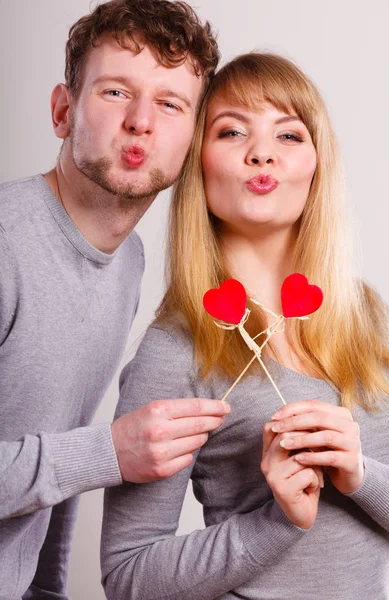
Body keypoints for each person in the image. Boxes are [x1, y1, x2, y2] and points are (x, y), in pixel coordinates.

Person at [101, 51, 389, 600]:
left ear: (318, 161)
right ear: (199, 162)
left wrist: (360, 473)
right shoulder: (177, 346)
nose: (262, 153)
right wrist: (277, 520)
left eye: (288, 136)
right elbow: (128, 576)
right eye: (232, 131)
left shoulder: (366, 315)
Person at [0, 1, 230, 598]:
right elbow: (82, 450)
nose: (141, 122)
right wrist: (108, 452)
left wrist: (46, 589)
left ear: (192, 140)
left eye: (170, 103)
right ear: (61, 109)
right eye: (114, 93)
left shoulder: (128, 263)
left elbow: (56, 438)